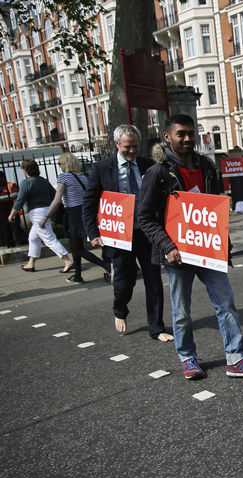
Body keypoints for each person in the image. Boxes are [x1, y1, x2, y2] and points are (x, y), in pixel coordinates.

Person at [138, 114, 243, 381]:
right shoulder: (157, 172)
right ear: (167, 137)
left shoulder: (206, 166)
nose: (186, 139)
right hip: (177, 254)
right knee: (181, 309)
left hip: (207, 249)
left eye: (190, 133)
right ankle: (187, 357)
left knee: (226, 302)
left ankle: (235, 358)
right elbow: (144, 218)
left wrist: (223, 240)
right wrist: (167, 246)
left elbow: (212, 208)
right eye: (180, 134)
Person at [82, 124, 172, 341]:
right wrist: (92, 232)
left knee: (154, 281)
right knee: (125, 281)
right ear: (116, 145)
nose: (132, 151)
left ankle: (157, 328)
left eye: (135, 146)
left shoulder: (148, 165)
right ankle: (120, 310)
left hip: (147, 232)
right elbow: (89, 202)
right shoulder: (102, 169)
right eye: (126, 147)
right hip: (119, 236)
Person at [40, 153, 110, 283]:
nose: (59, 166)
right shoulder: (82, 177)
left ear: (64, 164)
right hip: (84, 211)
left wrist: (46, 217)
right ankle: (78, 275)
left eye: (60, 163)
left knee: (77, 248)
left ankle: (107, 266)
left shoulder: (64, 177)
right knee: (76, 246)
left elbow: (57, 200)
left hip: (73, 214)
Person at [8, 159, 72, 273]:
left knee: (49, 238)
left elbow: (20, 200)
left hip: (36, 213)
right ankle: (30, 264)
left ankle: (67, 261)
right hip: (47, 210)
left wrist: (12, 214)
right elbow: (54, 194)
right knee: (33, 238)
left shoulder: (26, 182)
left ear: (25, 170)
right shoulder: (43, 181)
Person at [0, 171, 16, 247]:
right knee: (4, 232)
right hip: (1, 214)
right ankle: (6, 244)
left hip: (12, 212)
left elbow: (16, 195)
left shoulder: (10, 185)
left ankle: (19, 242)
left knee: (16, 230)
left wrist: (3, 198)